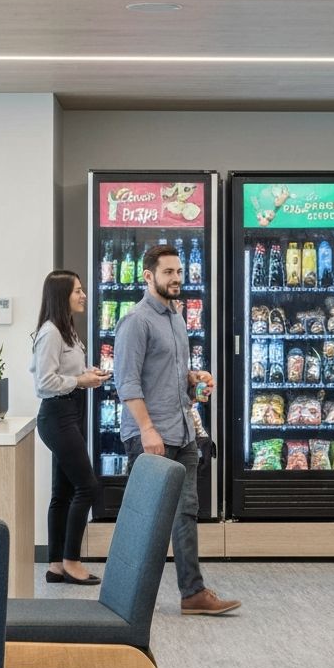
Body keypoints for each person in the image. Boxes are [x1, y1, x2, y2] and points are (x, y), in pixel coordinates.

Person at [114, 243, 241, 616]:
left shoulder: (176, 318)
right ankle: (128, 597)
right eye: (168, 272)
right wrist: (147, 431)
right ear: (148, 276)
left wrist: (193, 379)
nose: (176, 279)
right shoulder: (136, 321)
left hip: (182, 430)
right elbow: (127, 383)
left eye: (179, 272)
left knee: (186, 511)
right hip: (150, 436)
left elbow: (169, 374)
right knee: (145, 517)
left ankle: (193, 593)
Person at [30, 270, 109, 586]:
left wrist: (87, 374)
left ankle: (55, 565)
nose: (83, 295)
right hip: (57, 415)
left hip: (69, 411)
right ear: (62, 295)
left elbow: (62, 372)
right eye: (78, 290)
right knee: (87, 486)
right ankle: (73, 560)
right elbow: (44, 382)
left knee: (62, 492)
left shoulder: (66, 331)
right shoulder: (51, 332)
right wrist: (80, 380)